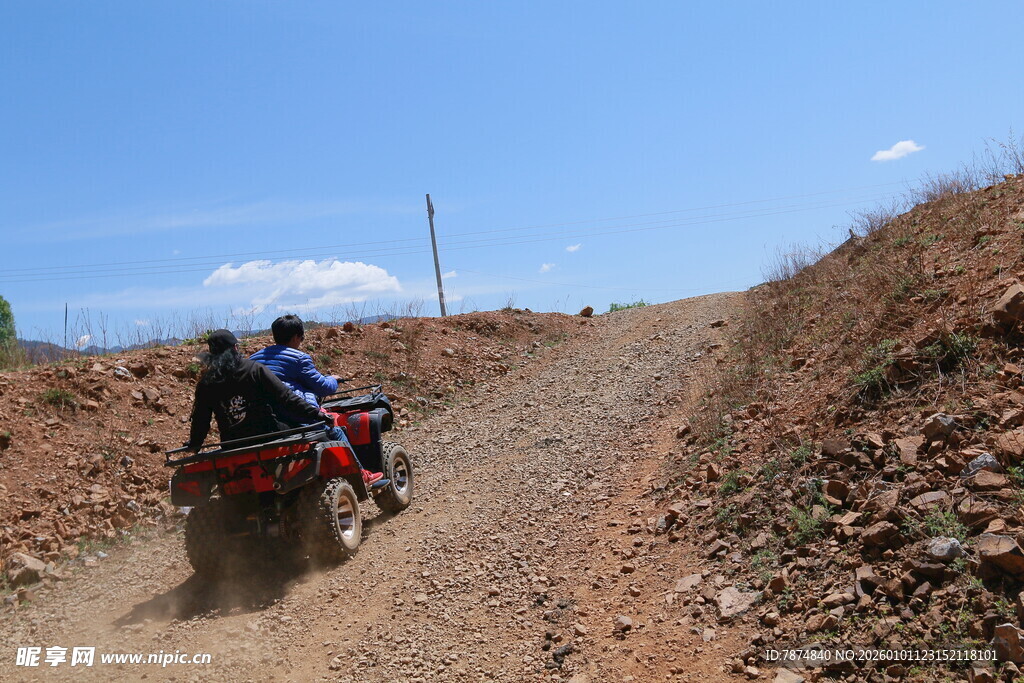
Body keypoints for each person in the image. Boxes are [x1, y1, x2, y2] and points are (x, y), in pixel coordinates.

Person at [188, 329, 382, 484]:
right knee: (328, 434)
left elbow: (200, 419)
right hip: (271, 434)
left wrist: (195, 444)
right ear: (236, 348)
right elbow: (286, 398)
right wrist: (316, 414)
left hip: (232, 443)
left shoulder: (207, 382)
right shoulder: (253, 369)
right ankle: (360, 476)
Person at [250, 316, 383, 484]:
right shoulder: (299, 358)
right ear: (296, 337)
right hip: (296, 417)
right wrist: (333, 379)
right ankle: (361, 474)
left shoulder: (253, 359)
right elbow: (322, 387)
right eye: (301, 338)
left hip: (266, 421)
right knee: (335, 431)